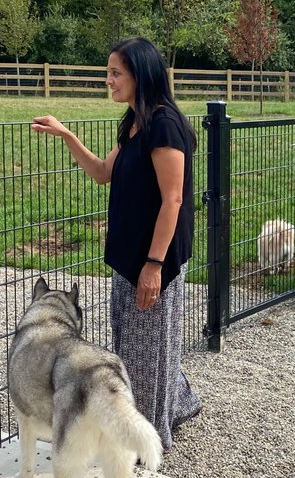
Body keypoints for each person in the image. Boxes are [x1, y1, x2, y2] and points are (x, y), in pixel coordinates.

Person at [31, 36, 202, 451]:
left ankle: (145, 439)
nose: (108, 80)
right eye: (108, 72)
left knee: (144, 355)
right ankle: (173, 408)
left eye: (115, 73)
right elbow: (102, 172)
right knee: (135, 346)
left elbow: (173, 200)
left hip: (152, 260)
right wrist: (66, 135)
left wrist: (154, 265)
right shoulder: (134, 122)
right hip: (128, 258)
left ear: (140, 75)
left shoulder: (163, 125)